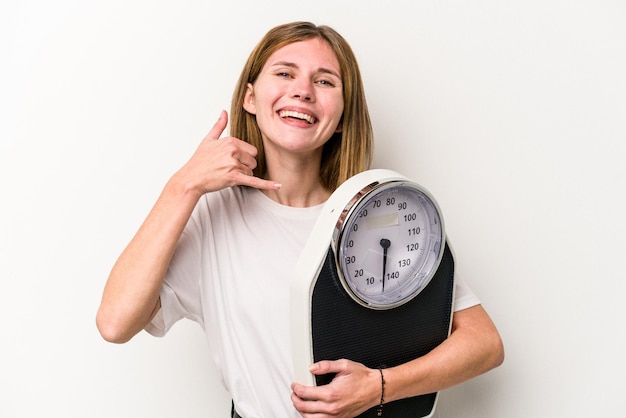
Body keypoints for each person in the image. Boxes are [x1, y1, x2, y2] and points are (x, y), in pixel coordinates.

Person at [96, 21, 504, 418]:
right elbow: (115, 323)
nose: (303, 91)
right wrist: (183, 185)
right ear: (251, 98)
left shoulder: (381, 212)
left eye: (325, 81)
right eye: (285, 73)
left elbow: (484, 343)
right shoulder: (211, 216)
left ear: (343, 116)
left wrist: (380, 387)